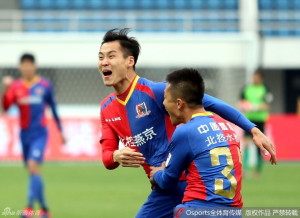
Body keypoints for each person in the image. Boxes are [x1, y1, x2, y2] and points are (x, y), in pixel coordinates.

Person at [99, 28, 276, 218]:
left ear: (130, 61)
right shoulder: (106, 108)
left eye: (111, 56)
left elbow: (211, 102)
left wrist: (252, 128)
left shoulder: (156, 91)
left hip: (190, 183)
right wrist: (116, 155)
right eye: (101, 57)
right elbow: (107, 157)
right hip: (163, 188)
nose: (104, 62)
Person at [149, 68, 242, 211]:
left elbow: (168, 181)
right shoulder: (227, 127)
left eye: (166, 99)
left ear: (179, 103)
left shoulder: (185, 131)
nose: (164, 104)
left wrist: (156, 174)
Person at [2, 54, 64, 218]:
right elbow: (6, 107)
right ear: (20, 67)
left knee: (32, 166)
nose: (27, 68)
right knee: (33, 171)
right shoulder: (16, 87)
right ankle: (44, 210)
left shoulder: (44, 85)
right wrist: (6, 89)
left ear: (34, 66)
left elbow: (54, 108)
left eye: (30, 64)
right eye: (24, 65)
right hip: (24, 134)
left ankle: (29, 207)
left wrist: (61, 131)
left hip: (40, 133)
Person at [239, 70, 273, 178]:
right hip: (248, 121)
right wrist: (246, 107)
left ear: (261, 78)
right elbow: (241, 103)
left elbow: (267, 105)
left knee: (260, 145)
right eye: (253, 77)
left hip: (260, 120)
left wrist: (253, 107)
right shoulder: (246, 89)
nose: (254, 79)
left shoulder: (265, 90)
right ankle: (245, 170)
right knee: (247, 144)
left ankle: (257, 171)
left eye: (256, 77)